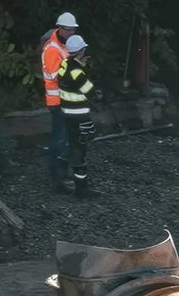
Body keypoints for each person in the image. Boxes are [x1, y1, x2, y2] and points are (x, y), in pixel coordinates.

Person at [40, 13, 79, 182]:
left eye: (73, 30)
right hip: (58, 102)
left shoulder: (62, 46)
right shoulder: (52, 49)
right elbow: (57, 76)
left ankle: (63, 170)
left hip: (66, 99)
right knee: (59, 139)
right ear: (60, 28)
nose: (72, 33)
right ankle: (58, 175)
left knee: (65, 137)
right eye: (69, 30)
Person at [58, 35, 99, 198]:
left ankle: (59, 178)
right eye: (84, 50)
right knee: (80, 150)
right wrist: (99, 94)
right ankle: (81, 188)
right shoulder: (76, 71)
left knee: (71, 145)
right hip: (78, 116)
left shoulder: (65, 64)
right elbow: (89, 91)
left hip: (67, 113)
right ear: (80, 52)